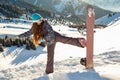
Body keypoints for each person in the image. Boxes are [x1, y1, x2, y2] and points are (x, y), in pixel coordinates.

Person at [18, 13, 86, 74]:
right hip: (49, 42)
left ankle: (80, 42)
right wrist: (19, 37)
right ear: (35, 22)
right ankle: (49, 71)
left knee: (66, 40)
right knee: (50, 57)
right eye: (38, 20)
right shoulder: (34, 27)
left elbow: (50, 31)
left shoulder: (45, 23)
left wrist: (43, 38)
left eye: (40, 19)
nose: (40, 20)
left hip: (55, 36)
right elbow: (28, 33)